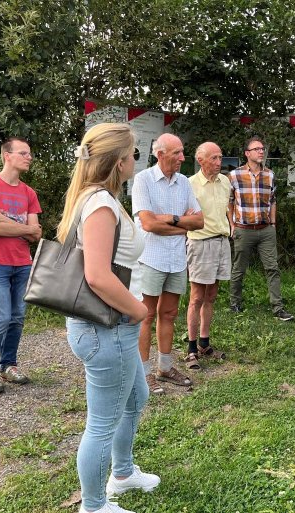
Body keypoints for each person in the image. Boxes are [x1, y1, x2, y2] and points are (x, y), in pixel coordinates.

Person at [56, 123, 158, 513]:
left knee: (135, 397)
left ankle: (124, 473)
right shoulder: (99, 204)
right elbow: (97, 274)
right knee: (101, 422)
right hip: (107, 327)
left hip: (113, 327)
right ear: (119, 162)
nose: (136, 160)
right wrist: (139, 310)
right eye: (133, 154)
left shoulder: (97, 198)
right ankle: (94, 506)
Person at [131, 133, 203, 395]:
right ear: (160, 154)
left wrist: (167, 222)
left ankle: (165, 367)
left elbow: (199, 221)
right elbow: (148, 224)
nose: (183, 158)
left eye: (183, 152)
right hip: (150, 257)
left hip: (176, 259)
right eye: (177, 153)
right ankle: (143, 373)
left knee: (169, 313)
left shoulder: (184, 182)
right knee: (145, 315)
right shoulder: (143, 180)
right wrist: (179, 222)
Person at [0, 137, 42, 394]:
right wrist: (23, 228)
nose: (29, 157)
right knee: (0, 318)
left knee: (17, 318)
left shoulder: (28, 193)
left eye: (29, 153)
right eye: (23, 153)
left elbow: (35, 234)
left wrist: (5, 220)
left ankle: (8, 365)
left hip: (22, 262)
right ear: (7, 155)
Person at [227, 136, 294, 321]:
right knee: (239, 268)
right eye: (257, 149)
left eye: (262, 148)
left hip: (266, 230)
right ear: (247, 153)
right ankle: (235, 303)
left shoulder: (270, 174)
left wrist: (272, 224)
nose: (261, 151)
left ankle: (278, 308)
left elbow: (273, 200)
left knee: (273, 268)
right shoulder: (234, 175)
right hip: (243, 229)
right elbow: (229, 202)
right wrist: (232, 225)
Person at [183, 142, 230, 370]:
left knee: (211, 295)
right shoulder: (189, 184)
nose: (219, 162)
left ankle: (204, 343)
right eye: (214, 158)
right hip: (200, 243)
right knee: (196, 297)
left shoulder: (225, 182)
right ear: (200, 160)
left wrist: (232, 227)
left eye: (220, 157)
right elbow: (184, 215)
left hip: (222, 242)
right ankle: (191, 349)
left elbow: (227, 209)